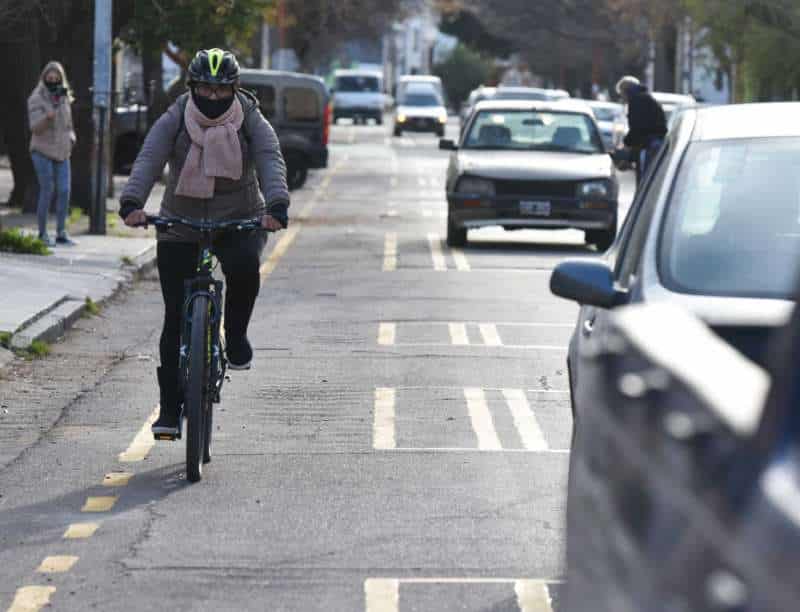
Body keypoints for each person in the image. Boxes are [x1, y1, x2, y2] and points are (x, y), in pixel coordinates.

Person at [120, 48, 290, 437]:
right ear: (192, 86)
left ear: (235, 88)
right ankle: (168, 408)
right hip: (180, 219)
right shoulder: (177, 115)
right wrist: (132, 202)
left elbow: (270, 157)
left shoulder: (249, 117)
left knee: (245, 269)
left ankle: (236, 335)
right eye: (205, 89)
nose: (212, 98)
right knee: (174, 317)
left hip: (239, 218)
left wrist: (277, 205)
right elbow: (150, 156)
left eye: (221, 90)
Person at [28, 61, 77, 246]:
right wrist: (47, 117)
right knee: (47, 190)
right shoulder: (36, 98)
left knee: (64, 190)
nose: (53, 80)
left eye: (57, 77)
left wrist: (72, 137)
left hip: (63, 151)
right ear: (44, 77)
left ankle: (61, 232)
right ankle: (42, 233)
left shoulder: (64, 97)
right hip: (41, 150)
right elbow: (34, 127)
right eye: (50, 77)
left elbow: (69, 123)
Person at [615, 75, 667, 184]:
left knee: (645, 180)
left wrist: (625, 145)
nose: (622, 99)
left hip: (650, 144)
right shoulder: (643, 97)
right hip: (653, 142)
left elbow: (637, 129)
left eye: (621, 95)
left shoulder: (636, 100)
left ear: (625, 91)